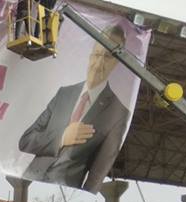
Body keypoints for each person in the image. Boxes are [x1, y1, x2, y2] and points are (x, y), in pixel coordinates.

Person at [19, 25, 129, 192]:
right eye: (97, 54)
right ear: (90, 55)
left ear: (117, 63)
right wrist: (62, 138)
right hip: (28, 183)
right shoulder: (64, 93)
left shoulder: (118, 112)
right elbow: (26, 141)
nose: (99, 63)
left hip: (65, 191)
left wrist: (84, 196)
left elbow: (99, 170)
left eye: (107, 57)